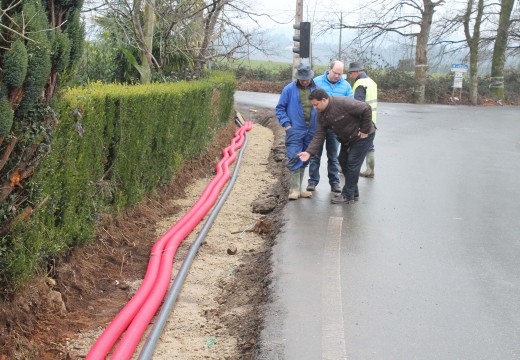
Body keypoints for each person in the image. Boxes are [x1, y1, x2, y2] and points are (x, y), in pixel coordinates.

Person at [298, 89, 375, 204]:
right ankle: (353, 192)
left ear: (324, 100)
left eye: (316, 104)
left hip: (362, 137)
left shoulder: (342, 102)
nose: (315, 108)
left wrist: (364, 130)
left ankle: (347, 195)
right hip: (347, 138)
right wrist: (309, 152)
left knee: (353, 162)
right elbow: (319, 135)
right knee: (343, 161)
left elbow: (366, 108)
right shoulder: (321, 114)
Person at [308, 60, 354, 193]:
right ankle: (312, 181)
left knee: (333, 156)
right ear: (329, 69)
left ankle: (334, 182)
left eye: (340, 74)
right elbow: (310, 100)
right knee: (315, 154)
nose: (337, 76)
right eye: (335, 73)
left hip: (336, 127)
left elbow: (350, 105)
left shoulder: (345, 86)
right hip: (319, 125)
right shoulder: (316, 82)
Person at [275, 63, 318, 200]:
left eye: (307, 79)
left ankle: (299, 189)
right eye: (302, 79)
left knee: (305, 157)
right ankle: (294, 189)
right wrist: (287, 125)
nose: (305, 81)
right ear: (298, 77)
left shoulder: (317, 89)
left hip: (311, 129)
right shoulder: (289, 89)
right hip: (295, 129)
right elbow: (280, 108)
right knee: (294, 156)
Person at [348, 61, 378, 178]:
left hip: (363, 120)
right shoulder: (371, 82)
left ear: (357, 71)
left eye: (351, 73)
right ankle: (370, 170)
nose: (350, 76)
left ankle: (346, 168)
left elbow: (358, 104)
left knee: (354, 143)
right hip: (373, 119)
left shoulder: (360, 83)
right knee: (369, 145)